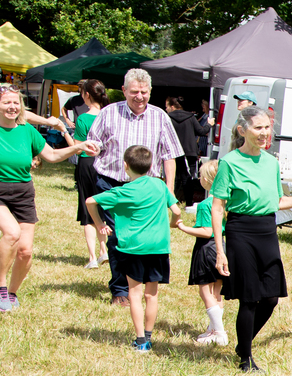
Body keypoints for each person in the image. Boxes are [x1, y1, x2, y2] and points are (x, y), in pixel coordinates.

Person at [211, 106, 292, 372]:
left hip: (266, 230)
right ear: (243, 131)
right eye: (258, 128)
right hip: (240, 231)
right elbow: (218, 207)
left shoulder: (271, 162)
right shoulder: (229, 163)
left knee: (270, 298)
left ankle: (243, 344)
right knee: (249, 297)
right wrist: (220, 251)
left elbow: (278, 201)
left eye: (267, 127)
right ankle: (246, 358)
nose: (265, 133)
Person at [87, 68, 184, 308]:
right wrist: (90, 148)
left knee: (141, 237)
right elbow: (93, 144)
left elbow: (169, 155)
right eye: (134, 92)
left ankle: (141, 283)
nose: (139, 97)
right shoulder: (109, 113)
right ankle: (120, 289)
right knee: (117, 236)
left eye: (143, 92)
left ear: (150, 91)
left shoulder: (160, 116)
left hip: (146, 187)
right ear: (123, 91)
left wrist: (168, 190)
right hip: (112, 182)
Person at [0, 84, 98, 313]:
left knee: (25, 251)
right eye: (7, 102)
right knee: (12, 234)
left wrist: (78, 147)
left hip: (23, 191)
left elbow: (52, 155)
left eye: (16, 103)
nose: (12, 107)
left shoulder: (27, 131)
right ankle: (1, 288)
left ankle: (12, 293)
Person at [86, 145, 181, 350]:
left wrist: (100, 224)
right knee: (152, 295)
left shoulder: (122, 191)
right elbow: (177, 210)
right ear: (151, 166)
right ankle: (149, 336)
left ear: (125, 165)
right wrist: (174, 222)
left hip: (132, 249)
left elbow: (90, 201)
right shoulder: (159, 185)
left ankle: (140, 341)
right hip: (158, 248)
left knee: (135, 294)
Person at [176, 159, 226, 344]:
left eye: (201, 175)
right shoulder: (226, 201)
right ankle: (213, 329)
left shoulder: (206, 204)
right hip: (222, 247)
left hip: (206, 249)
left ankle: (219, 332)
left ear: (208, 179)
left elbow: (207, 231)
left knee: (205, 291)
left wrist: (183, 227)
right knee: (217, 291)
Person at [73, 79, 109, 269]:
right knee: (101, 207)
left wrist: (64, 133)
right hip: (104, 164)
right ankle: (104, 251)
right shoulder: (109, 115)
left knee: (87, 211)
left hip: (87, 163)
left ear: (86, 95)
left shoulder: (82, 118)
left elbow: (77, 149)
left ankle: (92, 257)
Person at [165, 96, 207, 205]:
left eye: (167, 106)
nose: (166, 109)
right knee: (188, 178)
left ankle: (171, 202)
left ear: (172, 106)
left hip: (173, 152)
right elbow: (201, 132)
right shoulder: (191, 117)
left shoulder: (167, 118)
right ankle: (189, 202)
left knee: (172, 177)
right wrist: (209, 125)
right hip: (190, 152)